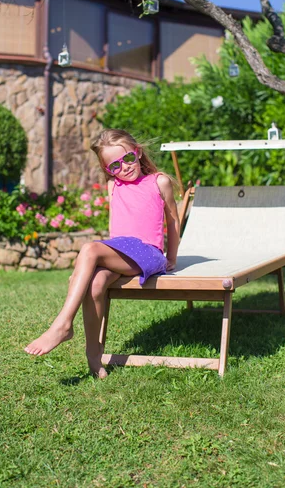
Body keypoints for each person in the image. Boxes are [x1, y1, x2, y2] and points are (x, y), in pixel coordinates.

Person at [24, 129, 180, 378]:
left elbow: (173, 220)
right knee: (95, 284)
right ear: (108, 170)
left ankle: (63, 324)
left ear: (137, 153)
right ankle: (94, 360)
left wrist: (171, 257)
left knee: (89, 248)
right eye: (115, 166)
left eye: (128, 159)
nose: (125, 168)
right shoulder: (112, 186)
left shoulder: (158, 181)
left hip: (148, 254)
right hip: (121, 252)